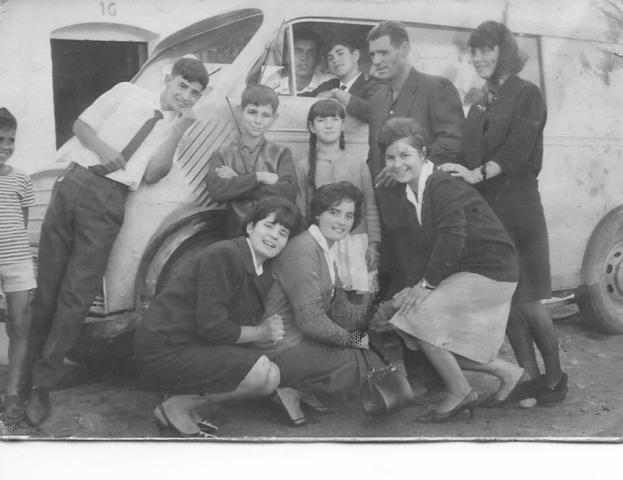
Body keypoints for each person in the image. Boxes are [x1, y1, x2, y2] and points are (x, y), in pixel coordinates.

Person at [24, 57, 210, 426]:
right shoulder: (127, 93)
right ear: (169, 79)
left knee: (75, 297)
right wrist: (104, 149)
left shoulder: (174, 128)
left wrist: (178, 129)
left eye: (194, 93)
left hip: (110, 199)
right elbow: (81, 125)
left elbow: (154, 173)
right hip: (73, 183)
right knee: (46, 290)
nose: (185, 95)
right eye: (182, 85)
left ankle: (41, 387)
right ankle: (21, 379)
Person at [439, 20, 567, 405]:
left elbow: (516, 151)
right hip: (489, 212)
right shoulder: (481, 99)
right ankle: (526, 377)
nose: (478, 58)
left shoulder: (527, 94)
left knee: (527, 299)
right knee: (504, 298)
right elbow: (466, 151)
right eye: (473, 51)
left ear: (504, 51)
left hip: (520, 207)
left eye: (486, 50)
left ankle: (555, 379)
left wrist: (475, 175)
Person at [374, 117, 526, 422]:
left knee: (414, 317)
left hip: (491, 270)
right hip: (464, 271)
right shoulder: (411, 192)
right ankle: (508, 373)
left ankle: (460, 391)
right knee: (411, 325)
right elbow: (422, 250)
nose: (397, 164)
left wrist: (424, 287)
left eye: (405, 155)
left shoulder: (441, 183)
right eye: (390, 158)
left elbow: (451, 238)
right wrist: (411, 288)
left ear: (423, 153)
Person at [134, 197, 303, 437]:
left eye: (283, 233)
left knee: (270, 376)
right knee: (261, 372)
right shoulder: (225, 254)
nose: (274, 236)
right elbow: (212, 328)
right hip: (164, 351)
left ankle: (184, 404)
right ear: (250, 227)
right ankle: (175, 408)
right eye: (268, 226)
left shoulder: (259, 268)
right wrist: (261, 332)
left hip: (190, 345)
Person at [262, 182, 380, 424]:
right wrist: (353, 340)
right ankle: (287, 388)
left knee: (369, 354)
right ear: (317, 213)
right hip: (280, 347)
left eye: (349, 215)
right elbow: (310, 320)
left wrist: (385, 312)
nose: (342, 222)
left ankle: (300, 388)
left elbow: (340, 309)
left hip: (299, 342)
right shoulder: (303, 248)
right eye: (334, 212)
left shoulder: (324, 248)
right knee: (358, 361)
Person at [295, 99, 380, 294]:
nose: (329, 125)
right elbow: (301, 210)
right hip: (321, 243)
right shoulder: (303, 166)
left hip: (356, 242)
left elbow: (370, 207)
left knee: (359, 297)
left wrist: (373, 244)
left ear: (342, 125)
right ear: (311, 127)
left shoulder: (358, 164)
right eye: (321, 120)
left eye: (334, 119)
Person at [366, 21, 464, 185]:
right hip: (385, 196)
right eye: (372, 54)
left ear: (404, 49)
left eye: (383, 53)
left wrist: (404, 168)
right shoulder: (377, 99)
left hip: (425, 193)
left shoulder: (436, 88)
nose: (376, 61)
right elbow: (374, 155)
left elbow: (452, 143)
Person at [205, 85, 297, 236]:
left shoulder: (281, 153)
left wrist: (238, 181)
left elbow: (288, 192)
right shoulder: (222, 155)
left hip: (271, 234)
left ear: (274, 119)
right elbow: (216, 191)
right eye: (252, 112)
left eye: (265, 115)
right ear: (240, 112)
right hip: (236, 233)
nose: (258, 121)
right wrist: (260, 177)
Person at [0, 108, 36, 430]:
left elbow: (21, 224)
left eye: (10, 140)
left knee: (20, 323)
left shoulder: (22, 179)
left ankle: (12, 395)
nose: (5, 146)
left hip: (16, 260)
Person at [306, 34, 386, 122]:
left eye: (340, 54)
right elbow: (302, 98)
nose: (335, 60)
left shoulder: (375, 84)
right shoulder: (330, 85)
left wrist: (336, 93)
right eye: (330, 58)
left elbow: (375, 113)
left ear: (355, 55)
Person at [274, 27, 334, 95]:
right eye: (298, 51)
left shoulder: (330, 84)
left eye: (310, 52)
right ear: (287, 56)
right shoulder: (275, 86)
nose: (304, 58)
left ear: (317, 59)